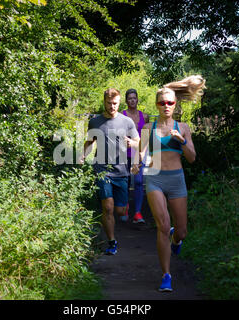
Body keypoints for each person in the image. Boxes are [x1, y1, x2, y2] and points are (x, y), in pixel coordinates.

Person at [132, 75, 206, 291]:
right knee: (162, 226)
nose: (166, 106)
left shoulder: (183, 127)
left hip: (176, 180)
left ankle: (177, 239)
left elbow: (192, 158)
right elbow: (141, 153)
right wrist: (137, 164)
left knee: (181, 231)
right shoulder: (148, 128)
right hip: (154, 178)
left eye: (170, 103)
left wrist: (182, 141)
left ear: (175, 104)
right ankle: (166, 275)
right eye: (162, 103)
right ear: (157, 104)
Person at [80, 88, 140, 255]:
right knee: (107, 207)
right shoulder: (95, 122)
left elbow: (138, 142)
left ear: (119, 102)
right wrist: (82, 155)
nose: (112, 106)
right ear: (104, 102)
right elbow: (89, 142)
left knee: (120, 211)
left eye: (115, 103)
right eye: (109, 103)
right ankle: (112, 242)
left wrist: (132, 144)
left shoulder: (127, 122)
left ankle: (123, 209)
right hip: (102, 171)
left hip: (121, 171)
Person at [121, 89, 149, 224]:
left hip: (139, 153)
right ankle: (126, 207)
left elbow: (146, 136)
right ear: (126, 101)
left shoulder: (145, 116)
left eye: (134, 98)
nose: (132, 100)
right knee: (125, 181)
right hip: (125, 153)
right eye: (130, 98)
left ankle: (137, 213)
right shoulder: (122, 115)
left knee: (138, 182)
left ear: (137, 100)